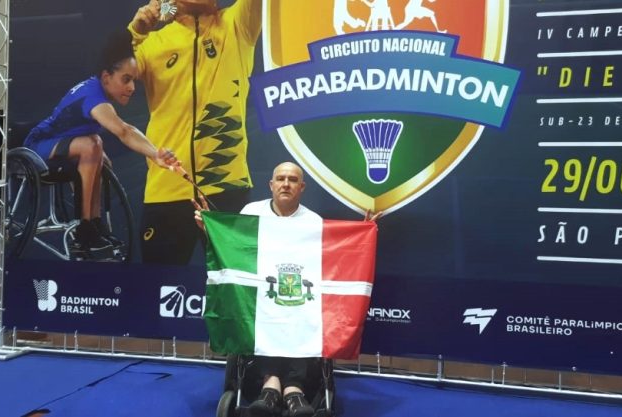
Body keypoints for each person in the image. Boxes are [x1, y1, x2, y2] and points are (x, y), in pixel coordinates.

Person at [194, 162, 381, 417]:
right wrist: (211, 229)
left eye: (292, 180)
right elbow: (232, 250)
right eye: (280, 179)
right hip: (259, 298)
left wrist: (361, 234)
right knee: (265, 317)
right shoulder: (251, 212)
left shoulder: (313, 222)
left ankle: (292, 387)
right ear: (271, 185)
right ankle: (272, 384)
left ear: (301, 187)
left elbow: (331, 260)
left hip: (297, 299)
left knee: (300, 318)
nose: (285, 184)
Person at [128, 0, 262, 265]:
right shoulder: (152, 43)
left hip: (226, 187)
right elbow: (111, 79)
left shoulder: (237, 24)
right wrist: (136, 31)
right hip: (166, 189)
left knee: (235, 284)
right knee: (159, 285)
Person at [23, 30, 179, 255]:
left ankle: (94, 225)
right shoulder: (93, 96)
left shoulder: (98, 91)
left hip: (63, 144)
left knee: (98, 154)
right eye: (126, 79)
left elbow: (120, 131)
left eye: (133, 80)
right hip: (37, 147)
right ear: (107, 77)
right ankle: (85, 230)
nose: (132, 87)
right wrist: (155, 154)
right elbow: (124, 131)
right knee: (93, 144)